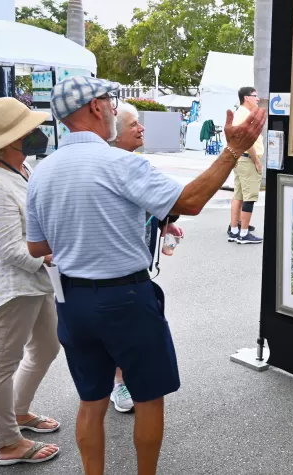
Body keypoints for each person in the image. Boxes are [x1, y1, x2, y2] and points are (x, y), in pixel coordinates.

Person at [25, 76, 265, 475]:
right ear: (96, 108)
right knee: (149, 397)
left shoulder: (43, 172)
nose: (113, 108)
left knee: (91, 400)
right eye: (109, 100)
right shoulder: (121, 162)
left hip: (72, 302)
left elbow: (37, 247)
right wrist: (232, 150)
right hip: (125, 297)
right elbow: (187, 202)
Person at [0, 97, 61, 466]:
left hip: (34, 282)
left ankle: (20, 412)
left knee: (47, 347)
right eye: (28, 131)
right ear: (8, 141)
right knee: (1, 364)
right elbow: (9, 249)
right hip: (12, 286)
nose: (37, 134)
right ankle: (7, 443)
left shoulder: (15, 171)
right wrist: (56, 258)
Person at [106, 101, 184, 414]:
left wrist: (167, 222)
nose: (141, 129)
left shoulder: (131, 163)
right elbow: (182, 200)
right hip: (116, 275)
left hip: (135, 268)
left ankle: (122, 380)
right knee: (121, 330)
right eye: (134, 124)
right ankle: (120, 382)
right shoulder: (116, 165)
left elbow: (151, 205)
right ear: (114, 133)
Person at [227, 86, 264, 244]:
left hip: (239, 158)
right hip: (247, 158)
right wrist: (256, 160)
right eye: (255, 96)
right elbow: (247, 140)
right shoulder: (244, 115)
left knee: (239, 196)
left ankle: (234, 230)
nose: (257, 99)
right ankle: (243, 233)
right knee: (249, 197)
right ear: (246, 98)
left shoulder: (240, 113)